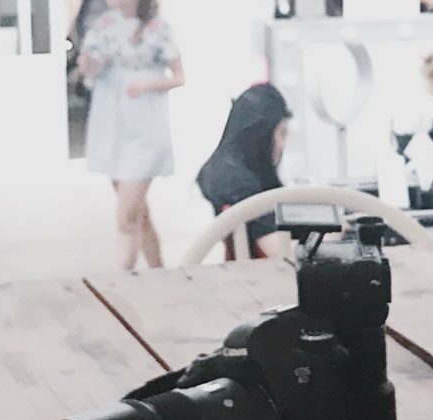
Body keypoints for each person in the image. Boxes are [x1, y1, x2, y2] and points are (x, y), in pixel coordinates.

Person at [80, 0, 185, 271]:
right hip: (112, 126)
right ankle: (160, 273)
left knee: (126, 219)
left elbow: (179, 76)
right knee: (139, 214)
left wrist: (147, 83)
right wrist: (87, 60)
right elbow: (88, 70)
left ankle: (119, 281)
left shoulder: (157, 28)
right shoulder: (103, 26)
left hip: (145, 128)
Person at [195, 84, 295, 261]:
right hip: (268, 281)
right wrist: (338, 232)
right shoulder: (242, 188)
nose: (282, 145)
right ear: (261, 135)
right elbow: (284, 254)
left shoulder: (225, 175)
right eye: (281, 134)